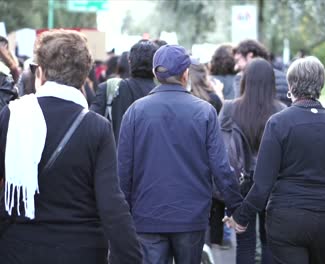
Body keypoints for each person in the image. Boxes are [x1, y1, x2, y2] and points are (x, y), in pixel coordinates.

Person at [0, 29, 141, 264]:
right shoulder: (96, 127)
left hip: (19, 249)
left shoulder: (12, 116)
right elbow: (111, 204)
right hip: (81, 250)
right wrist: (131, 257)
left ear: (41, 72)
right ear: (83, 76)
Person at [225, 56, 325, 264]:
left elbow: (262, 185)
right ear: (321, 84)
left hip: (288, 218)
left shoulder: (279, 123)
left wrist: (241, 216)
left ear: (291, 85)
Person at [118, 44, 243, 264]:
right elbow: (221, 167)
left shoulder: (135, 111)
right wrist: (235, 206)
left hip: (148, 214)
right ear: (186, 74)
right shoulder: (204, 111)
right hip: (190, 216)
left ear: (156, 74)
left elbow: (123, 169)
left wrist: (122, 212)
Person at [219, 58, 285, 264]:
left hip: (239, 184)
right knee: (268, 242)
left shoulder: (230, 108)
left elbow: (220, 148)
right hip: (271, 185)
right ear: (271, 82)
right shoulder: (282, 110)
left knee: (245, 243)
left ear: (245, 80)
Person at [91, 40, 159, 144]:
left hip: (113, 156)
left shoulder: (108, 89)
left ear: (130, 61)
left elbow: (91, 127)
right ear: (156, 65)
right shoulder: (164, 95)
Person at [233, 39, 289, 106]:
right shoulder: (284, 77)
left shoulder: (249, 80)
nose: (236, 67)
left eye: (237, 60)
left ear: (250, 56)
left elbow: (240, 109)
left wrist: (239, 80)